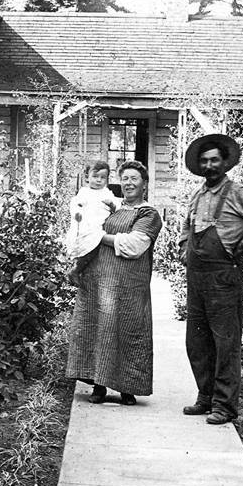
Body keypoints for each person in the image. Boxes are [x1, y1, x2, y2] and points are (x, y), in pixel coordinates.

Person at [180, 133, 243, 425]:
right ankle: (206, 397)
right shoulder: (197, 195)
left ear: (224, 163)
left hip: (224, 274)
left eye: (214, 160)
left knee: (225, 343)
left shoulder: (238, 192)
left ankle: (224, 407)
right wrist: (183, 247)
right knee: (197, 341)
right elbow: (186, 225)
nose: (209, 165)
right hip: (197, 274)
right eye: (204, 161)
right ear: (199, 165)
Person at [65, 160, 163, 406]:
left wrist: (99, 236)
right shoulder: (113, 208)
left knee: (127, 332)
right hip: (101, 282)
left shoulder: (148, 214)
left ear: (144, 184)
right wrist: (80, 264)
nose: (128, 183)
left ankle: (127, 389)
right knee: (100, 329)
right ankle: (99, 385)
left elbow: (133, 246)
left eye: (134, 179)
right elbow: (87, 232)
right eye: (125, 179)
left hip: (131, 286)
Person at [65, 160, 119, 286]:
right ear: (87, 177)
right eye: (95, 176)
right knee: (89, 242)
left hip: (99, 223)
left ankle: (78, 270)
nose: (99, 180)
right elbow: (76, 205)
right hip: (87, 223)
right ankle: (76, 270)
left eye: (103, 177)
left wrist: (111, 204)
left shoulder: (107, 192)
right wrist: (77, 213)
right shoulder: (84, 192)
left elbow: (116, 206)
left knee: (96, 244)